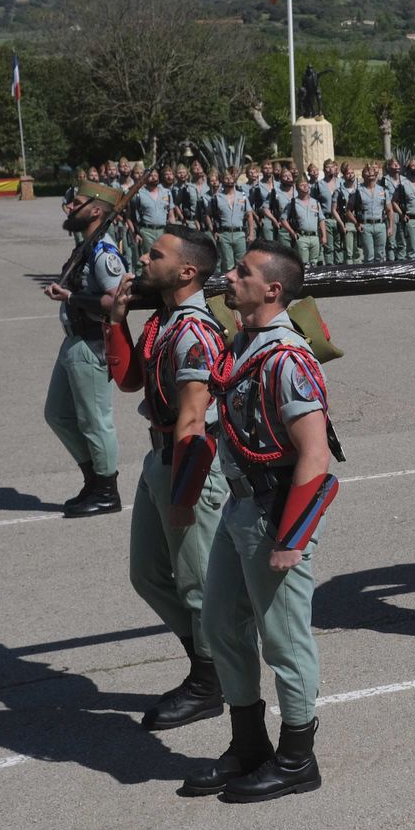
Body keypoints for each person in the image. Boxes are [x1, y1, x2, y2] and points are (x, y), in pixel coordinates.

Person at [183, 241, 341, 802]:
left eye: (242, 271)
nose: (230, 275)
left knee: (283, 639)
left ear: (272, 289)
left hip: (275, 513)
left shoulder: (287, 358)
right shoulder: (244, 342)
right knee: (222, 623)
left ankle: (298, 758)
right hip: (240, 506)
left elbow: (315, 455)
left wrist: (291, 540)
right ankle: (249, 746)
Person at [101, 226, 230, 730]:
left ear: (186, 271)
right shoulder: (163, 320)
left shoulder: (194, 330)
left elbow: (194, 420)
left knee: (198, 585)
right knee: (148, 574)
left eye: (155, 255)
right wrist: (115, 319)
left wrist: (185, 492)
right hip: (161, 457)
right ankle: (207, 665)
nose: (143, 259)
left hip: (188, 461)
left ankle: (211, 681)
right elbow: (130, 379)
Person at [44, 182, 129, 517]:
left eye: (76, 203)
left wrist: (70, 298)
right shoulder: (87, 246)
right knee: (58, 415)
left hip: (92, 344)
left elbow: (116, 302)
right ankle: (93, 479)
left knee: (95, 421)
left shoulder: (104, 254)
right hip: (73, 341)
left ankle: (107, 491)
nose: (70, 208)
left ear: (96, 211)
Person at [128, 169, 175, 271]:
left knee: (164, 258)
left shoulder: (166, 192)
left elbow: (171, 214)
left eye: (155, 175)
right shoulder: (138, 194)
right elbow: (130, 216)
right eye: (150, 175)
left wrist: (174, 232)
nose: (153, 177)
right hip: (146, 231)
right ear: (144, 178)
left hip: (163, 230)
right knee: (147, 259)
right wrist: (135, 232)